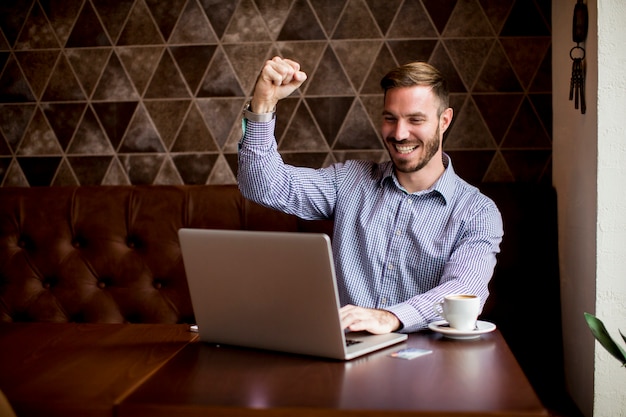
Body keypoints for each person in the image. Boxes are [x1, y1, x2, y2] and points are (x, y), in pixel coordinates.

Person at [237, 56, 503, 334]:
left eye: (415, 119)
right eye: (391, 118)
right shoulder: (349, 181)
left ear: (444, 120)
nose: (400, 134)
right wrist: (264, 103)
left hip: (426, 364)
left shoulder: (478, 212)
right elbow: (262, 185)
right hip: (347, 358)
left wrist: (390, 317)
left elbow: (463, 289)